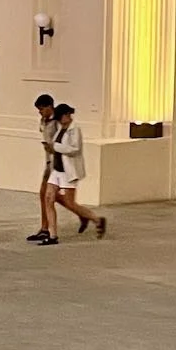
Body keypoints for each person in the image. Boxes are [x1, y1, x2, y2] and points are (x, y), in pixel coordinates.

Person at [40, 103, 105, 243]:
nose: (62, 119)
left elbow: (74, 149)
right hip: (57, 170)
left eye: (63, 116)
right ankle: (52, 235)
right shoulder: (60, 129)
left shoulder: (75, 130)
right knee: (48, 198)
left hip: (68, 171)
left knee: (70, 203)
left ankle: (95, 219)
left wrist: (55, 146)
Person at [26, 93, 58, 244]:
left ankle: (51, 231)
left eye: (41, 109)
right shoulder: (44, 121)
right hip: (49, 163)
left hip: (57, 164)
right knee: (44, 195)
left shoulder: (57, 122)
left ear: (49, 107)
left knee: (56, 199)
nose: (40, 112)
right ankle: (45, 228)